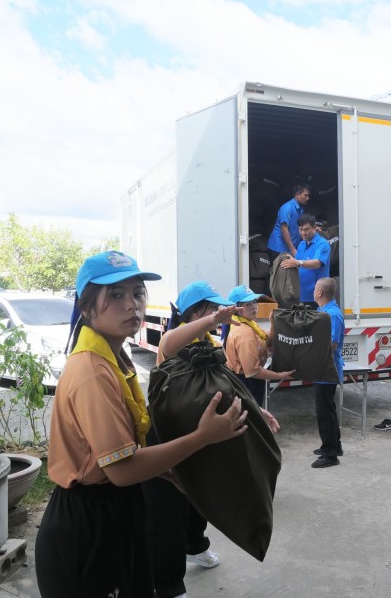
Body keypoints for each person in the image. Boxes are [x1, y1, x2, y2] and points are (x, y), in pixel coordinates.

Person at [34, 251, 247, 598]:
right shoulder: (92, 372)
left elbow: (124, 449)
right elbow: (120, 469)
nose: (132, 304)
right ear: (87, 308)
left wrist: (166, 472)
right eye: (116, 295)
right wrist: (203, 437)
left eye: (137, 293)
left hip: (115, 508)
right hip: (88, 525)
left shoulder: (114, 357)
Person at [144, 280, 281, 598]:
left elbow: (226, 383)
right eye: (212, 309)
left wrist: (257, 409)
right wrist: (213, 320)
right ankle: (169, 587)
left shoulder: (208, 342)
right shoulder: (175, 340)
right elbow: (169, 341)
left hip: (201, 435)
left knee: (197, 496)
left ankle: (195, 545)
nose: (219, 314)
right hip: (168, 436)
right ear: (196, 312)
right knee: (167, 515)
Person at [224, 284, 295, 404]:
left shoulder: (248, 323)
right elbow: (253, 371)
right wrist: (280, 375)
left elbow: (267, 340)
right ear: (236, 308)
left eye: (254, 302)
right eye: (248, 304)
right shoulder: (244, 333)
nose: (254, 307)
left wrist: (273, 323)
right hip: (246, 384)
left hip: (248, 381)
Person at [311, 277, 345, 468]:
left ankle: (330, 455)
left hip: (327, 370)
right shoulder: (323, 312)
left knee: (324, 412)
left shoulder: (332, 315)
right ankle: (334, 445)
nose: (313, 290)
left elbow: (331, 345)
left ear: (320, 293)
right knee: (328, 410)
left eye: (315, 288)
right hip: (322, 369)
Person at [279, 213, 331, 307]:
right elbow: (296, 264)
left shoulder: (322, 244)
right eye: (300, 229)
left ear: (314, 227)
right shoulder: (301, 244)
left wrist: (297, 262)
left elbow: (317, 263)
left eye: (306, 229)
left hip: (318, 296)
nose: (303, 233)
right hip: (302, 295)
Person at [267, 182, 311, 262]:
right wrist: (293, 249)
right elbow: (284, 229)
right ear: (297, 195)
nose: (308, 198)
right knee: (278, 270)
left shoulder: (300, 209)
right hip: (278, 248)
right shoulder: (287, 208)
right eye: (305, 195)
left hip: (289, 249)